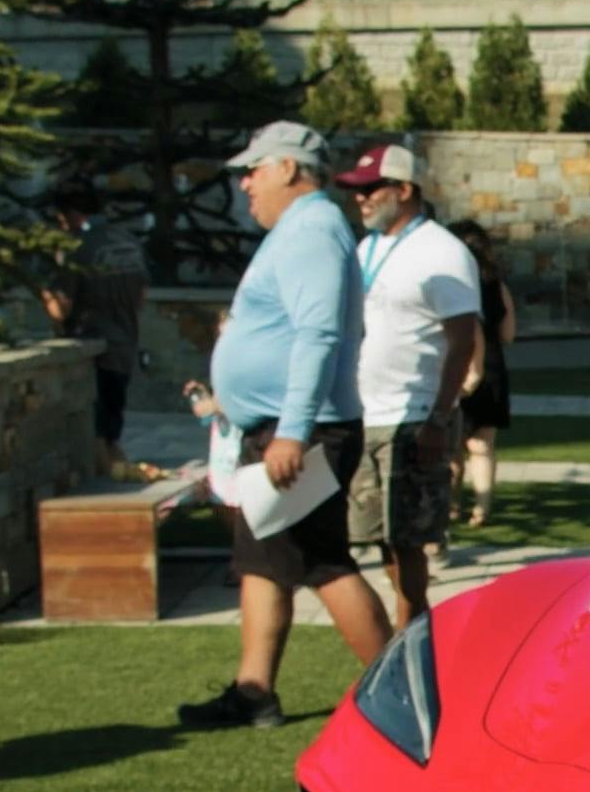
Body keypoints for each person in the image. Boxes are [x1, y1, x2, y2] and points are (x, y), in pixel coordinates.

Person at [180, 120, 391, 729]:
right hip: (283, 428)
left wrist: (292, 432)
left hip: (301, 431)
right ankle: (254, 692)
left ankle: (395, 695)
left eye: (256, 168)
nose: (246, 183)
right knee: (263, 559)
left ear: (291, 170)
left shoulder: (313, 230)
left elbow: (318, 334)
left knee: (322, 561)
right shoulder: (302, 230)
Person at [334, 142, 480, 623]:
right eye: (357, 192)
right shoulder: (366, 247)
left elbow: (462, 342)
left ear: (404, 189)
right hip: (364, 414)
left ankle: (413, 627)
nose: (362, 199)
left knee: (410, 539)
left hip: (414, 417)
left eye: (372, 189)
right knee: (374, 537)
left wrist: (440, 417)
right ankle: (402, 630)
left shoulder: (443, 252)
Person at [40, 178, 152, 474]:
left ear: (72, 214)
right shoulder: (128, 241)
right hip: (125, 342)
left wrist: (44, 292)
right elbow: (141, 296)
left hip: (93, 348)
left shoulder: (78, 248)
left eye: (61, 218)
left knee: (96, 430)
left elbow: (60, 308)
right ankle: (117, 467)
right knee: (113, 419)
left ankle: (109, 484)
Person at [454, 222, 517, 537]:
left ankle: (451, 505)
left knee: (451, 445)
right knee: (483, 444)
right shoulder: (496, 286)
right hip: (492, 367)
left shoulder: (451, 285)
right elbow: (508, 334)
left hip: (456, 366)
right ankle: (481, 508)